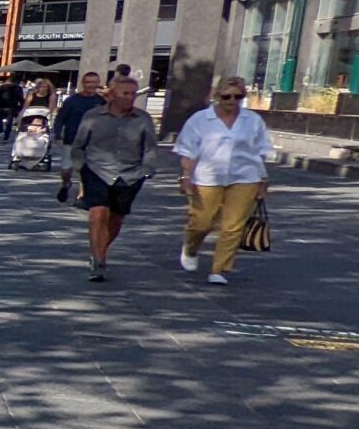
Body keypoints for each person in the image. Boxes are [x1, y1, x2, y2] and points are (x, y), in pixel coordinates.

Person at [174, 75, 274, 286]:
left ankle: (220, 268)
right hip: (208, 177)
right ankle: (191, 248)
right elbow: (188, 151)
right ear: (216, 96)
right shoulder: (200, 120)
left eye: (237, 96)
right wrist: (186, 176)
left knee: (233, 225)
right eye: (226, 96)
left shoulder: (252, 121)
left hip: (245, 176)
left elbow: (260, 151)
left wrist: (263, 180)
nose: (231, 100)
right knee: (202, 222)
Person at [67, 75, 157, 281]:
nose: (131, 97)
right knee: (98, 214)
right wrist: (80, 165)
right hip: (97, 170)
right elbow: (79, 144)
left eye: (133, 93)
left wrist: (147, 169)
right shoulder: (93, 116)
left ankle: (100, 250)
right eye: (126, 93)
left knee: (116, 219)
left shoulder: (142, 118)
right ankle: (99, 261)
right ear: (113, 93)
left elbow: (150, 147)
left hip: (130, 174)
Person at [52, 72, 106, 182]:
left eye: (94, 82)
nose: (91, 85)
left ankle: (84, 194)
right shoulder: (72, 100)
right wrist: (57, 134)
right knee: (66, 169)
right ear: (83, 83)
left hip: (93, 141)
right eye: (88, 82)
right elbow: (60, 118)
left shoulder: (101, 101)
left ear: (98, 83)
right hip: (72, 138)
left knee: (87, 169)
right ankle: (66, 184)